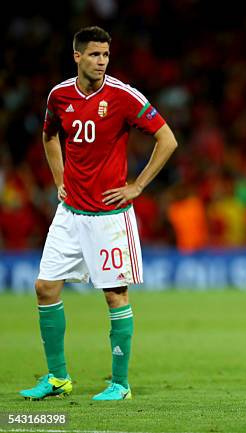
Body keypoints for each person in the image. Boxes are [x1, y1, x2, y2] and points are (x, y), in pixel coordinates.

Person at [19, 26, 178, 401]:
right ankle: (57, 378)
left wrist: (137, 186)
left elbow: (167, 139)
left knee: (114, 295)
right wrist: (60, 178)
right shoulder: (59, 96)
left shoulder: (123, 96)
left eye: (106, 55)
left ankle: (119, 384)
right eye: (94, 54)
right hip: (69, 211)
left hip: (109, 215)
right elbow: (49, 135)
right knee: (45, 288)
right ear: (77, 56)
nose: (102, 61)